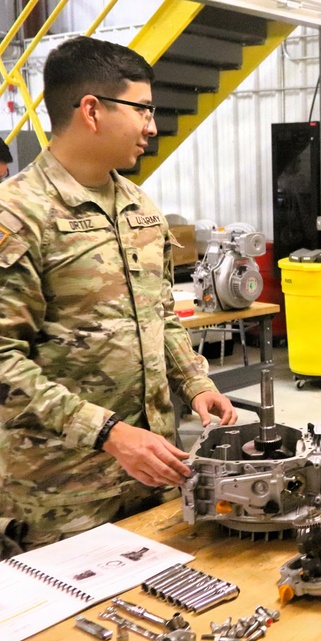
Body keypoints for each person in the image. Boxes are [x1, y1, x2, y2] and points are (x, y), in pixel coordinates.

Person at [0, 36, 237, 552]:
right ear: (91, 110)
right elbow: (4, 361)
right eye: (143, 110)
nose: (151, 126)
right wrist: (108, 433)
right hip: (64, 490)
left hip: (155, 473)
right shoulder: (18, 215)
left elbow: (159, 315)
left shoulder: (137, 205)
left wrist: (195, 384)